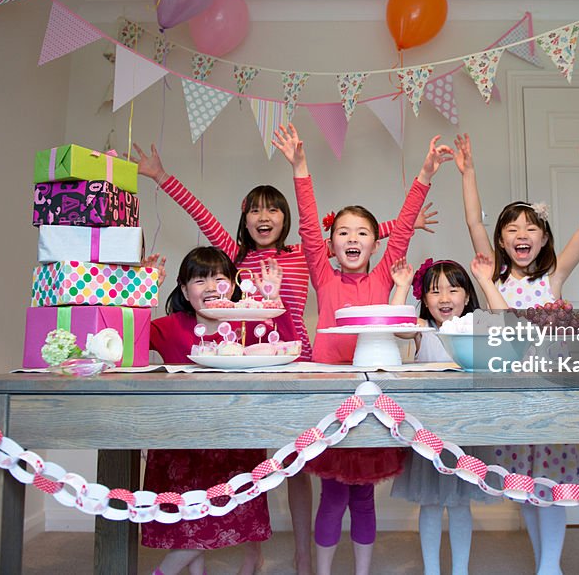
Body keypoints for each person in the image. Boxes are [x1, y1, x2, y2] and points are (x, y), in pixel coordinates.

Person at [130, 143, 436, 574]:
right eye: (254, 210)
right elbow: (204, 215)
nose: (263, 217)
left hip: (303, 359)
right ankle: (250, 543)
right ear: (245, 218)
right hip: (247, 360)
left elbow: (337, 233)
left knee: (298, 462)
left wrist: (397, 220)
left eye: (272, 210)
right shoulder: (234, 258)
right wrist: (162, 176)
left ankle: (303, 554)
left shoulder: (301, 256)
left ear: (283, 218)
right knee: (251, 455)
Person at [272, 123, 453, 575]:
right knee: (332, 494)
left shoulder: (383, 276)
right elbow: (310, 227)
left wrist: (425, 174)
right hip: (328, 394)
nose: (352, 239)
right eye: (344, 234)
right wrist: (301, 167)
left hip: (372, 394)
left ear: (377, 243)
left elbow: (406, 225)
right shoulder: (324, 276)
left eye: (363, 234)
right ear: (331, 246)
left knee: (363, 497)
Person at [454, 132, 579, 575]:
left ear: (545, 239)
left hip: (551, 400)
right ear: (502, 242)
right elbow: (474, 222)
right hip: (512, 400)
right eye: (512, 230)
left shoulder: (552, 281)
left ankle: (550, 568)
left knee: (549, 488)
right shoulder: (495, 276)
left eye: (531, 228)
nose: (521, 234)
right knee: (525, 490)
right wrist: (468, 173)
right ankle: (545, 563)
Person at [145, 247, 287, 575]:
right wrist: (144, 291)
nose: (210, 286)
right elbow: (131, 342)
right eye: (199, 279)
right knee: (188, 519)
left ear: (233, 286)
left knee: (216, 514)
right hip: (179, 441)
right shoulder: (168, 327)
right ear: (183, 290)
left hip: (233, 437)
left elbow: (285, 347)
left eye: (219, 278)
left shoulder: (249, 324)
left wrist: (273, 301)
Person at [387, 256, 505, 575]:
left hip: (465, 429)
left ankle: (461, 570)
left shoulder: (473, 327)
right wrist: (400, 286)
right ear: (424, 299)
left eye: (453, 290)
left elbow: (504, 320)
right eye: (435, 291)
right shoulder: (422, 329)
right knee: (430, 504)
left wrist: (485, 280)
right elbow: (396, 327)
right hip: (428, 430)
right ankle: (431, 570)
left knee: (459, 503)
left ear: (466, 297)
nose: (444, 298)